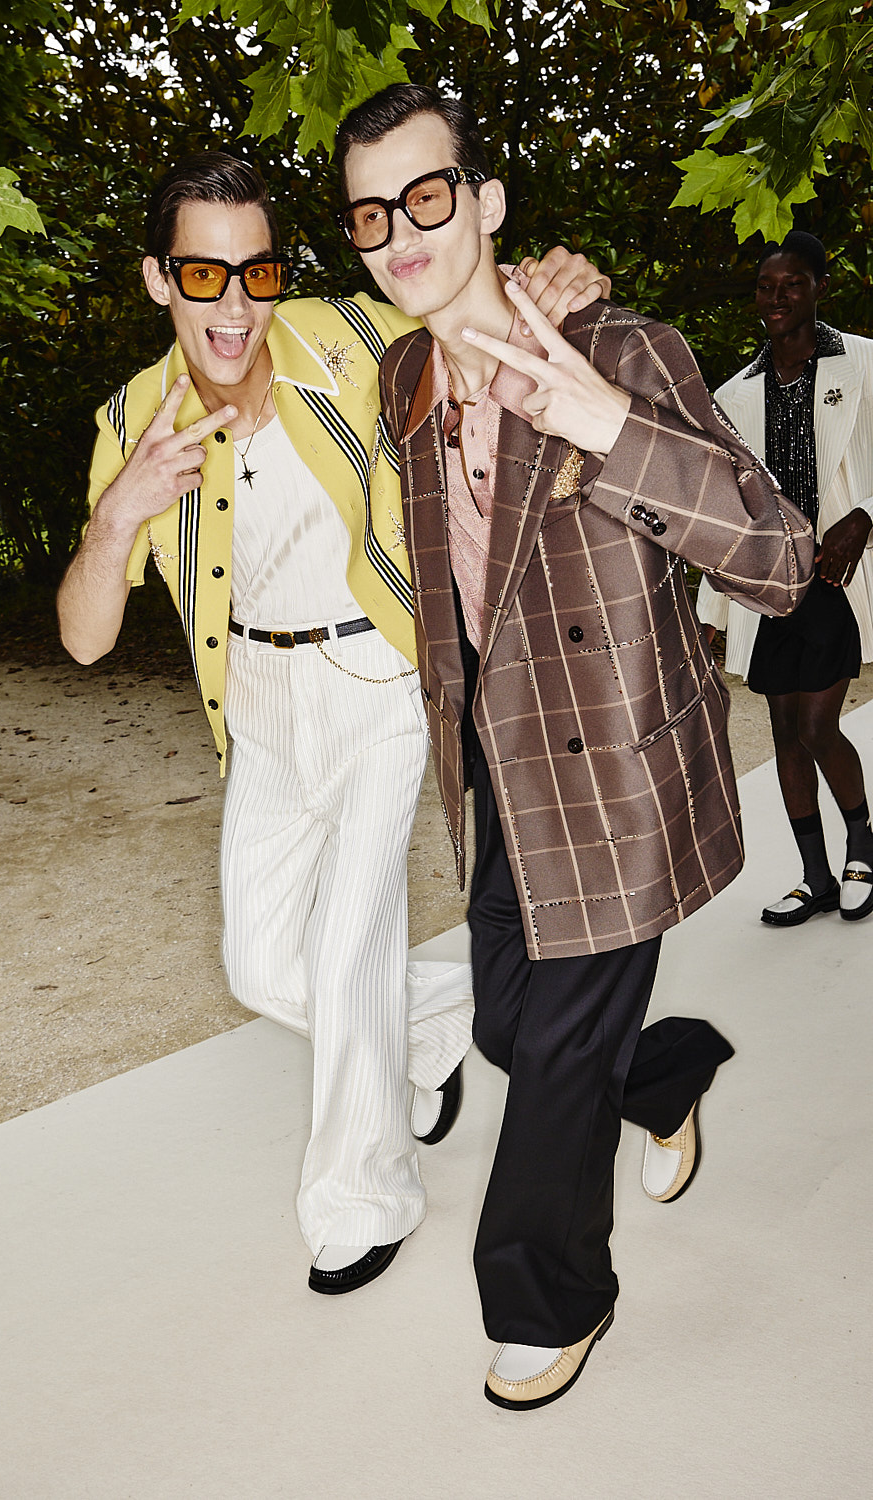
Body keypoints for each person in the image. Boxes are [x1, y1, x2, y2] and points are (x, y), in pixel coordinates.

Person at [334, 83, 814, 1407]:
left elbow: (780, 559)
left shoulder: (629, 349)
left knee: (547, 1056)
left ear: (484, 204)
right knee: (503, 1019)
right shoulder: (403, 373)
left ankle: (550, 1297)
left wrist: (601, 424)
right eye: (372, 213)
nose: (401, 232)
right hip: (501, 768)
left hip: (617, 772)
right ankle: (664, 1075)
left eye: (428, 196)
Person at [56, 151, 608, 1295]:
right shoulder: (131, 424)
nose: (236, 303)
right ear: (160, 280)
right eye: (202, 275)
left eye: (255, 271)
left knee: (351, 943)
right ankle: (436, 1023)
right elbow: (85, 639)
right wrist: (118, 521)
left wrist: (553, 280)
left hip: (376, 683)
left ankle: (363, 1197)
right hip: (258, 712)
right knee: (261, 966)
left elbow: (463, 305)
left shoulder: (345, 339)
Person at [697, 232, 873, 926]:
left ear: (818, 286)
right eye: (767, 286)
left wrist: (864, 514)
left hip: (837, 578)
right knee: (781, 732)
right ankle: (814, 877)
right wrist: (711, 606)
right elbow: (717, 509)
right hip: (771, 584)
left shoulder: (862, 362)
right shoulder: (733, 395)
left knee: (816, 722)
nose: (776, 298)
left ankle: (862, 851)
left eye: (791, 284)